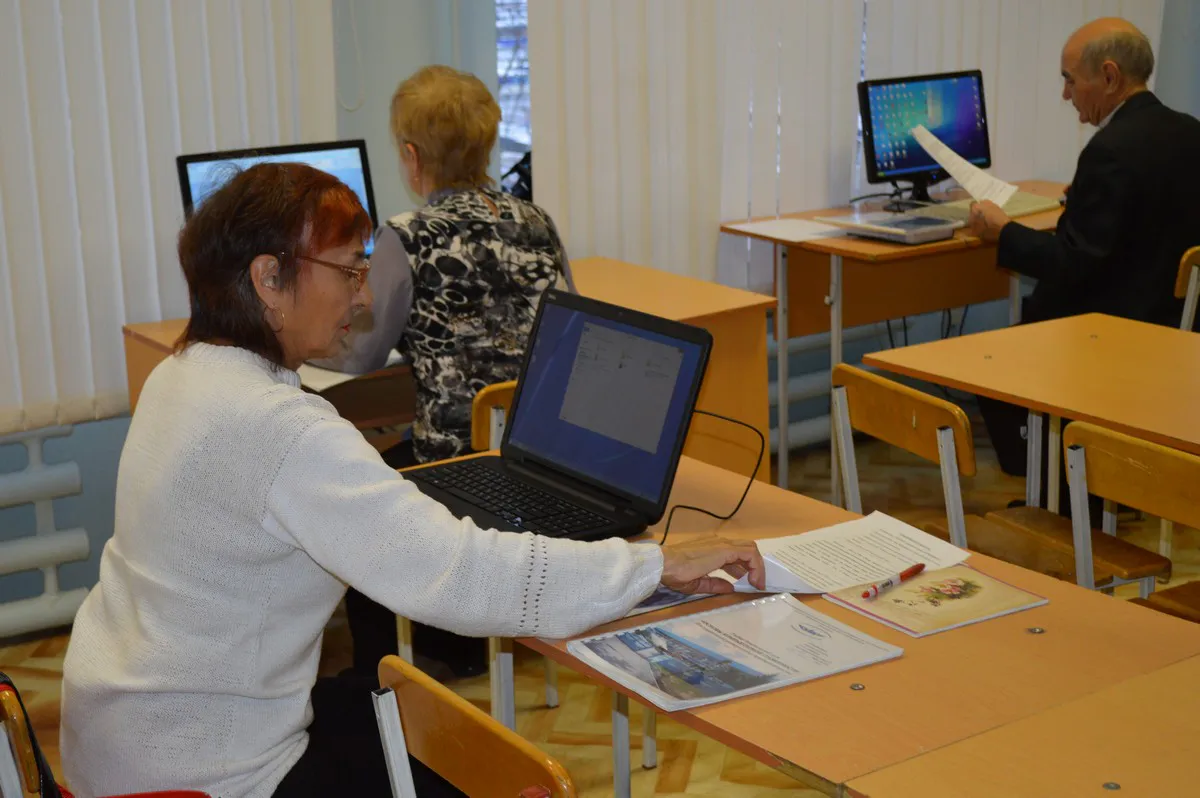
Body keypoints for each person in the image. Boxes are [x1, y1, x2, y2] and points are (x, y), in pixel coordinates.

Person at [59, 163, 765, 798]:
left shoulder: (181, 375)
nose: (363, 297)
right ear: (269, 279)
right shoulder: (281, 430)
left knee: (393, 710)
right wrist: (654, 566)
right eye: (348, 271)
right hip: (207, 776)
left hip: (116, 739)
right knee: (475, 766)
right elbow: (459, 576)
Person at [310, 65, 578, 679]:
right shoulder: (537, 221)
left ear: (410, 157)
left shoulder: (408, 237)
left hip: (455, 465)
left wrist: (299, 336)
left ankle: (386, 676)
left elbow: (359, 356)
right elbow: (567, 334)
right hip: (536, 455)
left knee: (364, 506)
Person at [967, 17, 1200, 497]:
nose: (1065, 94)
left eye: (1070, 80)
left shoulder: (1110, 150)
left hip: (1112, 335)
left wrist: (1003, 232)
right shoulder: (1189, 132)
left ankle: (1061, 494)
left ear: (1110, 77)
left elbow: (1073, 262)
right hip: (1171, 327)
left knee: (988, 358)